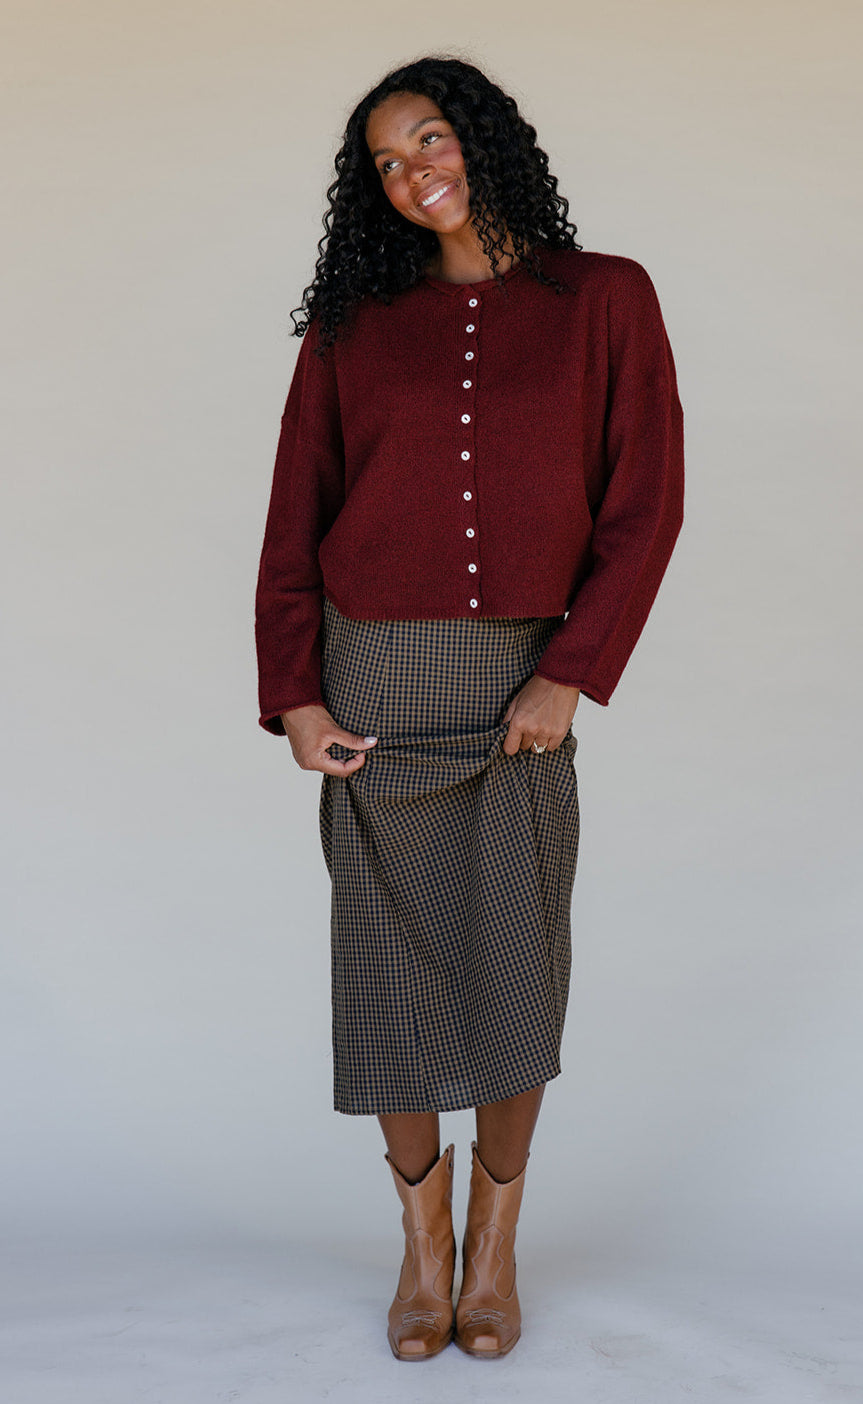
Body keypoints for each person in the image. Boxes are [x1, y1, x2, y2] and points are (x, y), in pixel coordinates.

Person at [255, 55, 683, 1362]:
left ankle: (496, 1247)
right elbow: (294, 517)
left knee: (511, 965)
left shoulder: (604, 299)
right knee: (386, 980)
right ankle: (422, 1243)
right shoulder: (353, 327)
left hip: (517, 690)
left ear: (482, 138)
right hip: (374, 678)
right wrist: (292, 695)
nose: (411, 173)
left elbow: (645, 502)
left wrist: (573, 669)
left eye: (427, 138)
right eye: (383, 161)